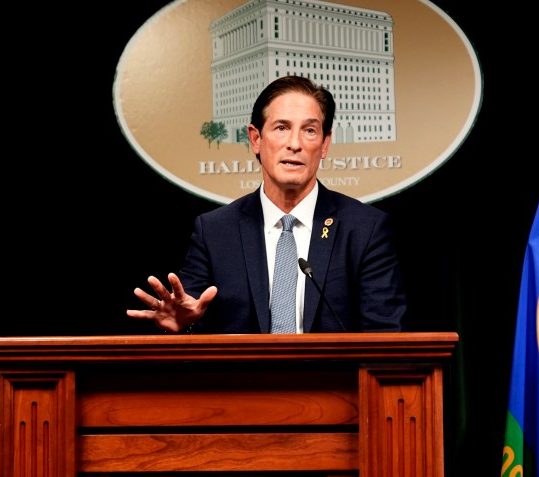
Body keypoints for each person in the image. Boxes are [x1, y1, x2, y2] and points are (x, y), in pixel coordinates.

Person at [127, 75, 407, 334]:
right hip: (241, 386)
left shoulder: (365, 229)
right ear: (256, 139)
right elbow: (189, 317)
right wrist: (183, 325)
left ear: (324, 145)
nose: (294, 144)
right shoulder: (214, 231)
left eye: (309, 130)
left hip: (335, 386)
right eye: (282, 128)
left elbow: (386, 336)